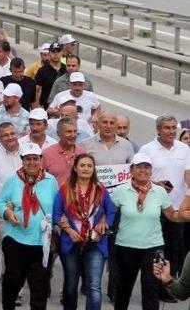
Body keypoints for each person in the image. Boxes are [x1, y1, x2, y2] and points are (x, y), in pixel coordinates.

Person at [112, 153, 190, 310]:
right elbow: (108, 214)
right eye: (139, 167)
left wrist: (182, 216)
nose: (143, 170)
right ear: (131, 170)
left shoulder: (160, 191)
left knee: (151, 288)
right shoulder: (120, 190)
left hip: (154, 247)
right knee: (123, 287)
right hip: (126, 246)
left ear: (151, 170)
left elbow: (171, 215)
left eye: (147, 167)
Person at [0, 144, 60, 310]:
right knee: (13, 280)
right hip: (15, 239)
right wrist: (8, 213)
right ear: (22, 160)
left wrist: (55, 223)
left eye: (35, 159)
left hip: (41, 241)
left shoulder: (50, 181)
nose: (32, 162)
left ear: (41, 160)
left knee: (39, 286)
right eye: (28, 159)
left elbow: (57, 206)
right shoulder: (13, 180)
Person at [53, 153, 115, 310]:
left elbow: (111, 211)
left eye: (89, 166)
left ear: (94, 169)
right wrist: (68, 230)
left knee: (94, 286)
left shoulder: (101, 189)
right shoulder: (65, 189)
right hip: (71, 242)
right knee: (70, 285)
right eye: (82, 165)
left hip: (95, 242)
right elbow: (56, 214)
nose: (86, 169)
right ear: (75, 168)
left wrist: (105, 223)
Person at [138, 115, 190, 283]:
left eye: (174, 127)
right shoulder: (147, 149)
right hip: (154, 209)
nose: (171, 131)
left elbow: (188, 174)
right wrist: (156, 184)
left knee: (174, 248)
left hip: (176, 209)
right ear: (158, 129)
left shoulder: (184, 149)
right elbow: (138, 176)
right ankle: (154, 285)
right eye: (167, 128)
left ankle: (170, 284)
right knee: (155, 250)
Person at [0, 122, 24, 187]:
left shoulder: (28, 151)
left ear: (17, 135)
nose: (10, 137)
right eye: (5, 135)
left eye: (12, 134)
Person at [34, 43, 66, 109]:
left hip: (63, 105)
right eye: (53, 51)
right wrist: (37, 105)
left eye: (58, 51)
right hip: (46, 106)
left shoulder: (66, 69)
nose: (55, 54)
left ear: (62, 53)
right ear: (49, 53)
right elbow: (37, 90)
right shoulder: (42, 70)